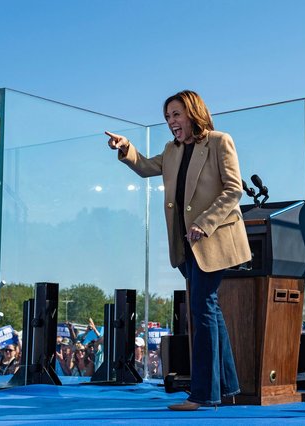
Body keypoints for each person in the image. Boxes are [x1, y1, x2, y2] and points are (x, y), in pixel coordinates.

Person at [106, 90, 251, 411]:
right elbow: (145, 167)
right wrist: (126, 147)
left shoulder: (219, 141)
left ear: (193, 113)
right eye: (168, 117)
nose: (171, 122)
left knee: (202, 310)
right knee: (209, 310)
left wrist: (206, 222)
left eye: (176, 114)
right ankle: (227, 388)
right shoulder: (171, 151)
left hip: (214, 238)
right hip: (185, 242)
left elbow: (233, 189)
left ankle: (204, 395)